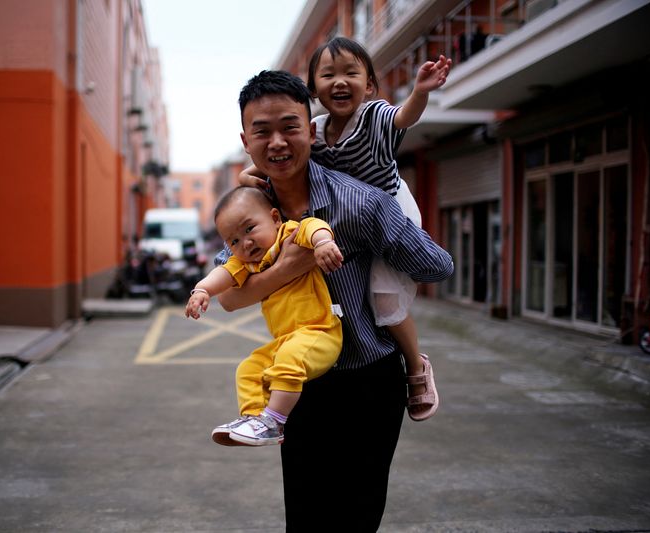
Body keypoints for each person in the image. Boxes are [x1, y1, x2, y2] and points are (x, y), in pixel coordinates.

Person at [218, 69, 453, 531]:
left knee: (357, 519)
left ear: (310, 128)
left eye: (289, 126)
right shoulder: (245, 213)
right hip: (297, 388)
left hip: (369, 381)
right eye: (262, 131)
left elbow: (437, 266)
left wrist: (387, 244)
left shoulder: (359, 202)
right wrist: (290, 267)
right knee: (305, 519)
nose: (278, 142)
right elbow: (227, 298)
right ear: (246, 140)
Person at [240, 36, 451, 422]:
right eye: (328, 74)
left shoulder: (374, 118)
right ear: (314, 89)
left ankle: (415, 366)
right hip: (298, 373)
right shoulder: (271, 189)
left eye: (351, 73)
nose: (340, 82)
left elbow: (405, 117)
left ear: (369, 84)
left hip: (391, 205)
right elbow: (231, 296)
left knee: (384, 296)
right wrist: (293, 263)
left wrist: (420, 91)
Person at [185, 186, 344, 447]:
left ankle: (274, 421)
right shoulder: (247, 262)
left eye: (249, 229)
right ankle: (254, 419)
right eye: (233, 241)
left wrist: (323, 242)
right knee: (249, 369)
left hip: (320, 332)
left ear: (274, 218)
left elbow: (314, 225)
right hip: (287, 339)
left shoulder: (288, 234)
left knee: (289, 359)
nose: (245, 243)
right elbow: (223, 274)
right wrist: (202, 290)